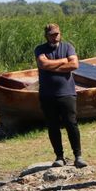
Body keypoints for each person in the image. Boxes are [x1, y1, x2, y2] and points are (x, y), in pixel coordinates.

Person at [35, 23, 87, 168]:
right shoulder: (40, 49)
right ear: (46, 35)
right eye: (52, 34)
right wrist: (64, 61)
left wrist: (53, 65)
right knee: (52, 125)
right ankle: (59, 157)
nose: (55, 36)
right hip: (47, 94)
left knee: (71, 124)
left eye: (57, 33)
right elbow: (43, 65)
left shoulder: (68, 47)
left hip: (67, 93)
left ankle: (78, 156)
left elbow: (74, 65)